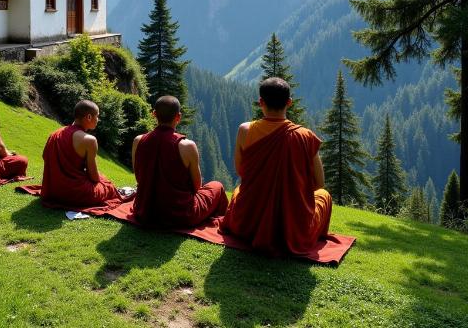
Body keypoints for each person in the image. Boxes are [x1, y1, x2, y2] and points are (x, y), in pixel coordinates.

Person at [220, 77, 332, 256]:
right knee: (324, 196)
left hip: (247, 224)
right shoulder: (305, 136)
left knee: (238, 191)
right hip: (293, 230)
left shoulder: (245, 130)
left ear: (260, 102)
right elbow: (319, 183)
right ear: (289, 102)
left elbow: (241, 171)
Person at [132, 95, 228, 227]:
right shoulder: (187, 146)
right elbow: (197, 186)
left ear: (154, 114)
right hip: (180, 216)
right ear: (178, 117)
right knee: (217, 186)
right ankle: (222, 222)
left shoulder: (138, 140)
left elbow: (139, 178)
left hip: (145, 211)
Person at [40, 100, 123, 209]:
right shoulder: (89, 140)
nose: (98, 120)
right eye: (97, 116)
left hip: (51, 191)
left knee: (102, 178)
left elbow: (45, 157)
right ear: (89, 117)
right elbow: (93, 177)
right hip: (75, 194)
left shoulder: (54, 134)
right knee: (107, 185)